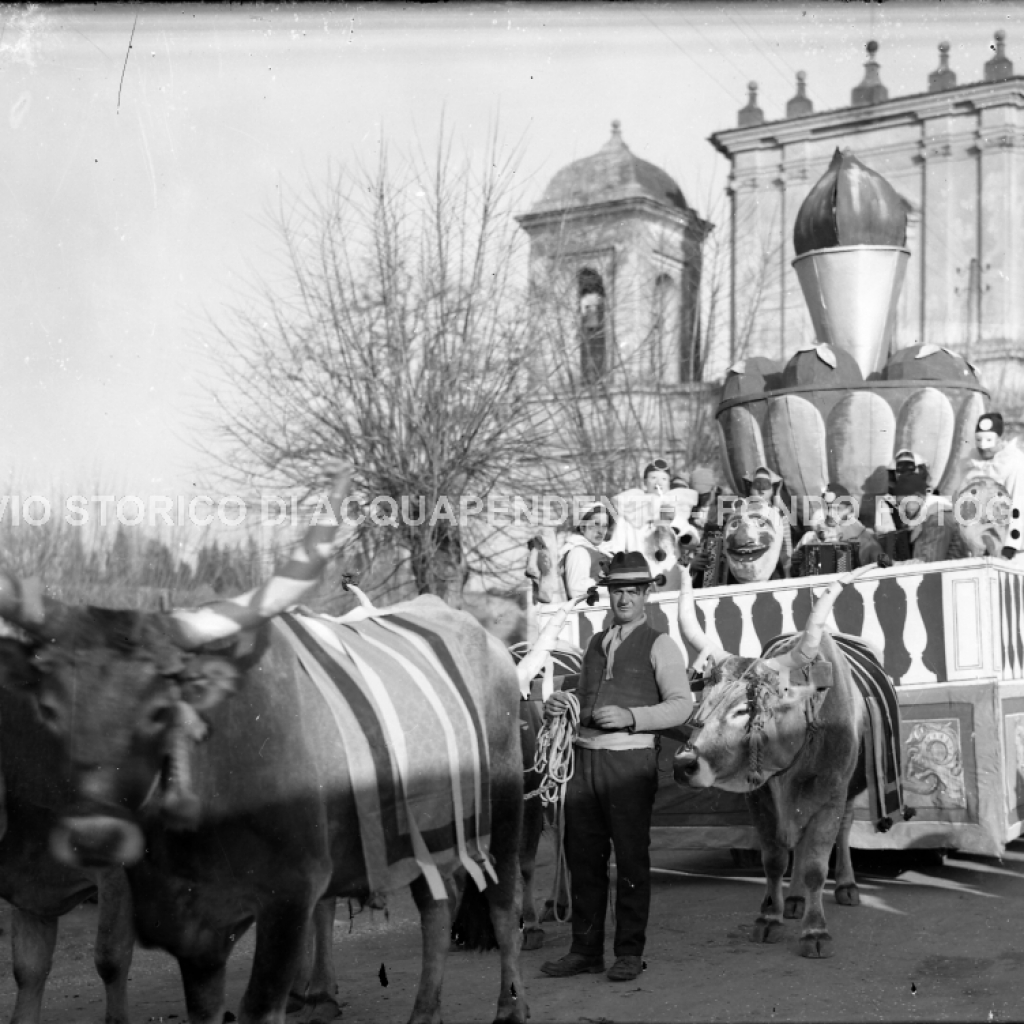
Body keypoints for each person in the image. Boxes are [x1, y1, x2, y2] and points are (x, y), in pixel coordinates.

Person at [540, 551, 694, 983]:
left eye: (632, 591)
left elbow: (682, 705)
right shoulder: (593, 643)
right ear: (608, 594)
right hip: (583, 763)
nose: (623, 599)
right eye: (617, 591)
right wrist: (562, 702)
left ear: (647, 594)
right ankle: (585, 950)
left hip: (629, 764)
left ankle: (628, 952)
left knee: (629, 860)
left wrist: (633, 717)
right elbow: (583, 694)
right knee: (583, 859)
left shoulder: (660, 643)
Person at [954, 412, 1024, 562]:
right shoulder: (969, 467)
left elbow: (1018, 507)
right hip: (975, 550)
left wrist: (1010, 549)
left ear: (1000, 439)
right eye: (979, 440)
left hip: (1009, 551)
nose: (983, 447)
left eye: (989, 440)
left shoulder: (1013, 465)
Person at [558, 503, 612, 599]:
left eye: (605, 526)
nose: (601, 531)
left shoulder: (605, 552)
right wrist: (614, 588)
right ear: (583, 527)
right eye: (596, 524)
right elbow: (576, 590)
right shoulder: (579, 552)